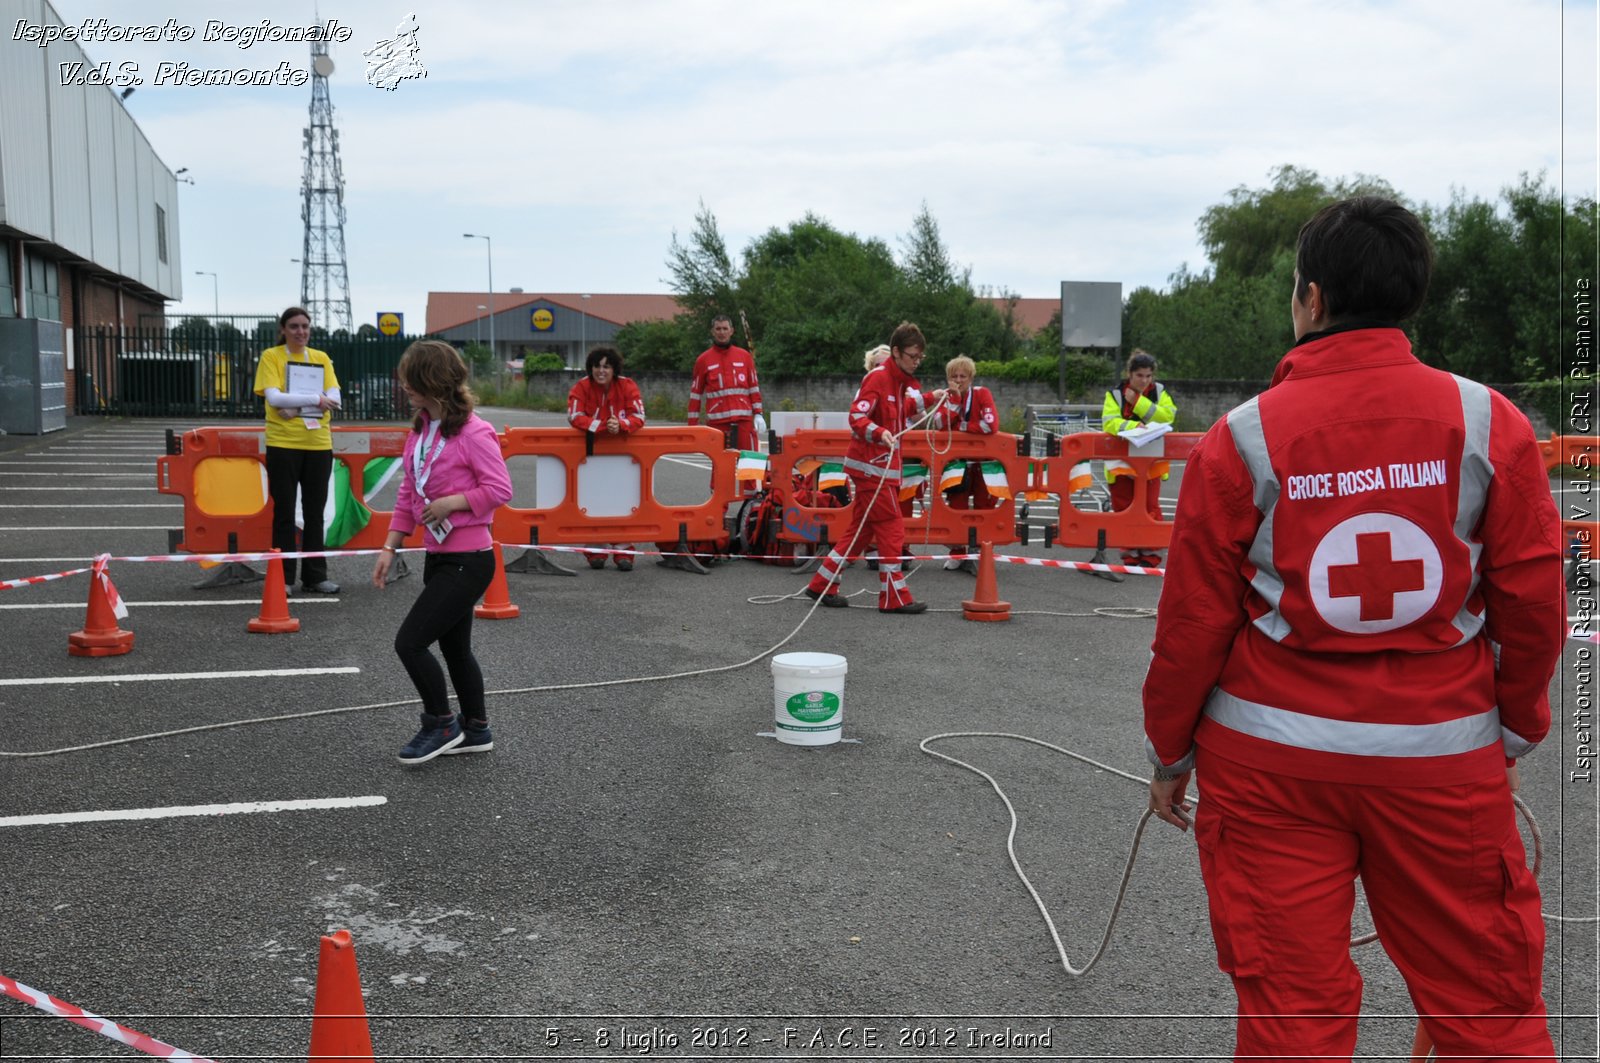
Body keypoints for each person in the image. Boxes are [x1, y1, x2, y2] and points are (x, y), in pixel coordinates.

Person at [1142, 196, 1564, 1062]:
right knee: (1489, 1016)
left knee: (1292, 1024)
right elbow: (1532, 597)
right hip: (1442, 767)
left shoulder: (1241, 439)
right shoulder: (1490, 424)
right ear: (1412, 298)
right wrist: (1518, 722)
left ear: (1310, 299)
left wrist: (1171, 751)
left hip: (1270, 773)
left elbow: (1192, 621)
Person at [374, 340, 513, 765]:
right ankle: (477, 729)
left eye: (411, 380)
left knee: (410, 643)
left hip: (468, 559)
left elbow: (500, 489)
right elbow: (407, 493)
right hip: (437, 556)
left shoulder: (474, 431)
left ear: (432, 382)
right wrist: (390, 546)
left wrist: (453, 502)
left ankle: (441, 723)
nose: (405, 388)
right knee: (455, 650)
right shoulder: (419, 430)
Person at [801, 322, 945, 614]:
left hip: (880, 470)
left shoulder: (899, 381)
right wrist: (879, 433)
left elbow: (899, 411)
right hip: (871, 469)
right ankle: (893, 596)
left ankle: (822, 584)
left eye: (920, 358)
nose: (917, 362)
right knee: (892, 528)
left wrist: (931, 397)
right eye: (912, 356)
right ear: (896, 352)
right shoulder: (878, 378)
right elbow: (857, 416)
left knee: (861, 532)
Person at [253, 306, 341, 594]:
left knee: (315, 513)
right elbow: (275, 397)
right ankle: (284, 577)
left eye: (305, 326)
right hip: (283, 444)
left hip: (318, 444)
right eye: (293, 326)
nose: (300, 331)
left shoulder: (321, 358)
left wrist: (299, 406)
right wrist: (316, 399)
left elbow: (336, 398)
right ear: (283, 329)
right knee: (285, 513)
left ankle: (315, 576)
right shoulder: (271, 357)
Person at [568, 346, 646, 571]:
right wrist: (602, 427)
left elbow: (639, 416)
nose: (600, 371)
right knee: (592, 501)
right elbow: (574, 416)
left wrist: (621, 425)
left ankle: (624, 549)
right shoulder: (581, 387)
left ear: (614, 369)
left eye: (606, 366)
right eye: (596, 366)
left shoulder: (628, 385)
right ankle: (595, 547)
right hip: (590, 457)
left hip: (623, 456)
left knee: (623, 500)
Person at [1100, 348, 1176, 568]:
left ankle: (1150, 553)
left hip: (1151, 461)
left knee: (1150, 506)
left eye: (1148, 375)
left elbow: (1168, 415)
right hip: (1121, 462)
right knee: (1123, 506)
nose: (1144, 380)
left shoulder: (1160, 391)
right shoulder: (1114, 394)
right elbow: (1109, 422)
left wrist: (1138, 402)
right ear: (1129, 374)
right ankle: (1131, 553)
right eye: (1139, 375)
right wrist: (1135, 426)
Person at [936, 355, 1004, 575]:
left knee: (985, 506)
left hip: (985, 462)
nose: (958, 380)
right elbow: (939, 424)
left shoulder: (983, 394)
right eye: (953, 376)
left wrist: (961, 427)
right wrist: (954, 402)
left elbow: (990, 425)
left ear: (971, 377)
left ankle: (982, 553)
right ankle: (957, 552)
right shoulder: (946, 397)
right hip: (957, 462)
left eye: (962, 376)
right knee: (956, 505)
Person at [687, 315, 765, 451]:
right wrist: (693, 426)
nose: (721, 332)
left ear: (731, 331)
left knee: (748, 466)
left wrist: (758, 413)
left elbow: (754, 388)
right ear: (712, 332)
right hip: (717, 425)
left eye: (725, 328)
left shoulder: (745, 357)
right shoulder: (703, 360)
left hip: (743, 423)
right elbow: (695, 395)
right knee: (720, 467)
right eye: (718, 329)